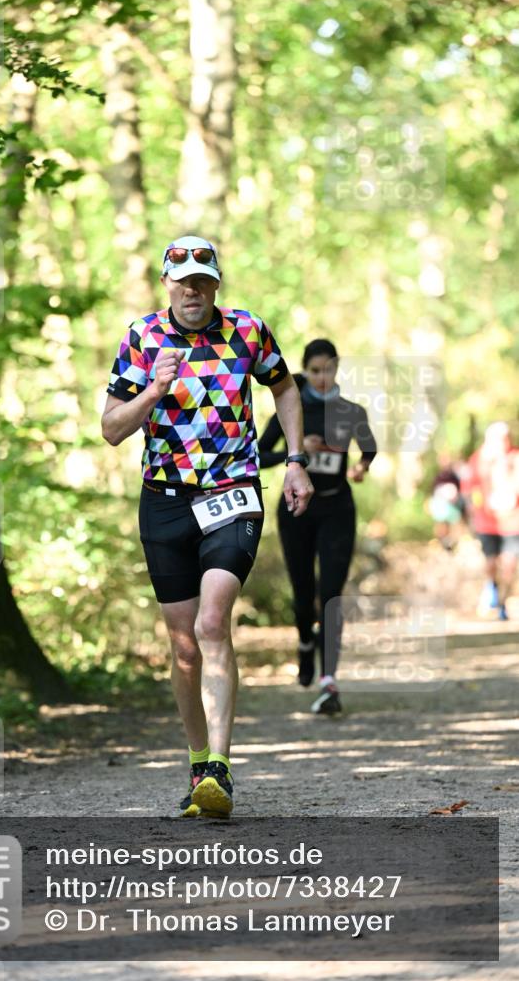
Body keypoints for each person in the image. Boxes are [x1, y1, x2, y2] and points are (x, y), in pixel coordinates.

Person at [101, 235, 313, 816]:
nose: (193, 289)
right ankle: (198, 765)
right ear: (167, 283)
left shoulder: (247, 330)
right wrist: (153, 388)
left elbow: (285, 388)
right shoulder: (142, 338)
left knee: (212, 619)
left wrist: (295, 462)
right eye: (182, 280)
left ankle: (219, 766)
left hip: (232, 492)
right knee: (183, 644)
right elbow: (112, 428)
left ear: (216, 283)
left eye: (204, 279)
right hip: (165, 500)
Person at [258, 338, 377, 715]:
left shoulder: (350, 411)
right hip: (297, 510)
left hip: (337, 509)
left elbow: (368, 446)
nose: (322, 377)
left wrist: (362, 466)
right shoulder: (290, 408)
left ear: (336, 369)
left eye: (328, 369)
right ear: (305, 370)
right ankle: (305, 642)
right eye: (314, 370)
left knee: (331, 594)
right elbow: (259, 454)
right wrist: (297, 454)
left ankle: (329, 681)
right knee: (302, 592)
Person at [460, 422, 519, 621]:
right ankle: (492, 588)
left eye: (506, 437)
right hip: (487, 521)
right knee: (491, 562)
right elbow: (468, 490)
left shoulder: (516, 457)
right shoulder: (478, 459)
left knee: (510, 564)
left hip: (513, 522)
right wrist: (473, 511)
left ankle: (503, 601)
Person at [427, 453, 466, 552]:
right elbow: (433, 491)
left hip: (452, 505)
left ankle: (454, 542)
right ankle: (444, 542)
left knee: (455, 524)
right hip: (441, 506)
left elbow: (459, 489)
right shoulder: (438, 476)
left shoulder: (454, 476)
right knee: (442, 525)